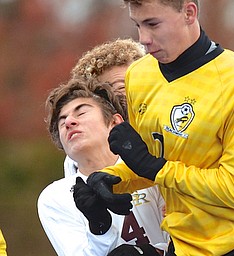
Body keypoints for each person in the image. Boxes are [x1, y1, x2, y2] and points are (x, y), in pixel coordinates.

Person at [81, 0, 234, 255]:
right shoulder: (139, 75)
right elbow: (149, 165)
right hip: (180, 245)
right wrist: (110, 180)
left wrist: (156, 167)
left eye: (153, 24)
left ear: (189, 13)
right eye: (137, 25)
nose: (143, 39)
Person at [38, 39, 169, 256]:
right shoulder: (57, 197)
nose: (131, 99)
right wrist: (100, 228)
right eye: (118, 91)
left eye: (137, 87)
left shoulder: (162, 155)